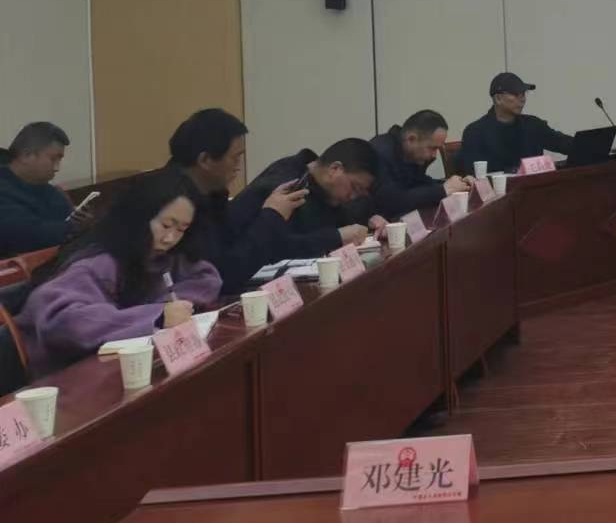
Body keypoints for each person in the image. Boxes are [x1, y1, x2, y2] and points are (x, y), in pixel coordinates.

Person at [15, 169, 220, 373]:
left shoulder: (163, 255)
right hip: (70, 375)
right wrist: (157, 315)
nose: (170, 238)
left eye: (181, 229)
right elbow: (67, 322)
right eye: (166, 225)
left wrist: (169, 305)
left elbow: (206, 278)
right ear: (139, 217)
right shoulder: (99, 262)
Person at [160, 108, 311, 293]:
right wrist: (272, 216)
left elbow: (233, 241)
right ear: (205, 160)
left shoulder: (211, 194)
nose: (238, 167)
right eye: (235, 157)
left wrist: (272, 210)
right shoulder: (173, 205)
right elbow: (222, 278)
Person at [231, 138, 379, 257]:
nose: (353, 197)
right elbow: (276, 247)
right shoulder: (285, 185)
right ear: (334, 169)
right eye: (355, 188)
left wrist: (371, 220)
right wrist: (336, 237)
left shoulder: (322, 184)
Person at [361, 111, 471, 222]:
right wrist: (443, 190)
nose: (434, 155)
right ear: (411, 139)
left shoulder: (409, 153)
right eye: (432, 148)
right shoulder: (380, 152)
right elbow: (392, 203)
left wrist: (459, 184)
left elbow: (419, 183)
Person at [459, 73, 578, 174]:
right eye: (516, 94)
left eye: (523, 94)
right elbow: (474, 176)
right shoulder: (475, 132)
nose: (522, 99)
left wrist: (585, 145)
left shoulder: (533, 125)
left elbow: (563, 143)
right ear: (498, 99)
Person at [0, 122, 88, 256]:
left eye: (59, 159)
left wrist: (82, 221)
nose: (57, 168)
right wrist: (74, 228)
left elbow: (67, 223)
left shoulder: (52, 192)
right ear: (26, 155)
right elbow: (26, 235)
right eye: (53, 159)